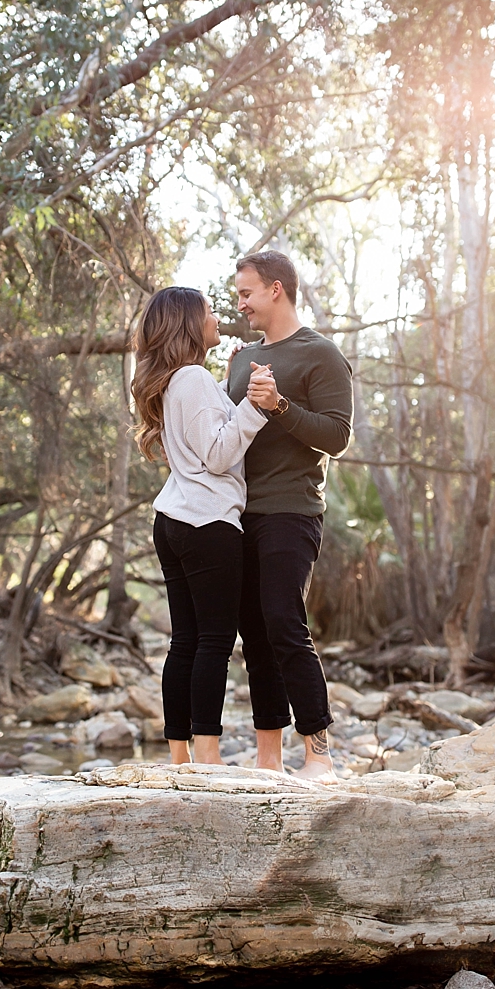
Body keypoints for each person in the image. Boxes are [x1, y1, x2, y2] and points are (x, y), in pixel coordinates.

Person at [132, 286, 276, 766]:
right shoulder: (191, 377)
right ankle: (209, 758)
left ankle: (180, 757)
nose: (218, 316)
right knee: (214, 639)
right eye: (210, 311)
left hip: (173, 519)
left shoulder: (180, 379)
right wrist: (255, 407)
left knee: (186, 640)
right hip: (207, 521)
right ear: (190, 324)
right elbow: (217, 454)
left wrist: (230, 382)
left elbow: (202, 436)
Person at [226, 250, 353, 781]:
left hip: (291, 509)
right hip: (233, 512)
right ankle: (268, 757)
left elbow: (338, 436)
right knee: (252, 632)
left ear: (275, 289)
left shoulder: (320, 355)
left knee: (282, 618)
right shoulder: (238, 359)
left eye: (246, 293)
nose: (240, 304)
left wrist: (280, 405)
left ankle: (318, 751)